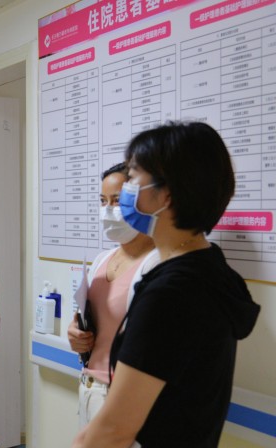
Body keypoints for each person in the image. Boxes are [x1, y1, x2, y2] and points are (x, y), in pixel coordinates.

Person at [72, 122, 260, 447]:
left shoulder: (172, 294)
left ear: (166, 195)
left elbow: (114, 430)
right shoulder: (209, 268)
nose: (126, 192)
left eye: (133, 179)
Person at [66, 162, 158, 428]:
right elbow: (89, 318)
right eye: (102, 201)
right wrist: (76, 333)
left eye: (117, 201)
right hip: (89, 387)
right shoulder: (101, 260)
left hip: (122, 397)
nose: (108, 209)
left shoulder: (156, 264)